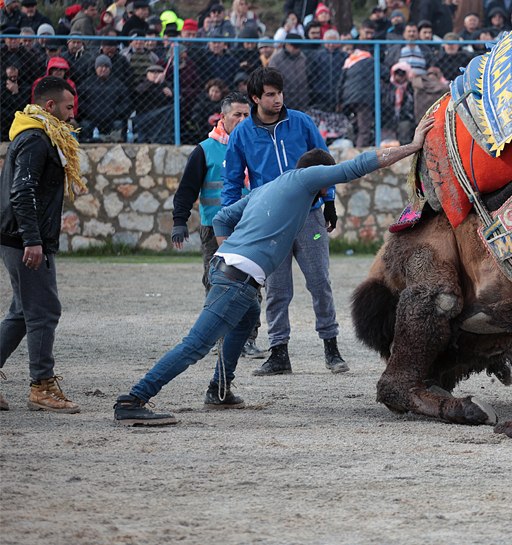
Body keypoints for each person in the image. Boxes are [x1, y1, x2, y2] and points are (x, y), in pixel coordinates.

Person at [113, 114, 434, 425]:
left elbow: (223, 218)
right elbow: (360, 164)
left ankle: (218, 389)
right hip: (236, 279)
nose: (327, 192)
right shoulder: (308, 179)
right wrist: (413, 145)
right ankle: (133, 399)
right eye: (327, 183)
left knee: (249, 316)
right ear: (320, 176)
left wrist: (230, 253)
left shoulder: (266, 188)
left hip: (224, 269)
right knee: (195, 345)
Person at [222, 67, 342, 376]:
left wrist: (329, 201)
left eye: (280, 93)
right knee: (277, 290)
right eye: (271, 94)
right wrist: (234, 218)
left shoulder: (301, 122)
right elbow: (231, 182)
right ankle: (279, 353)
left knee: (320, 282)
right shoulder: (241, 134)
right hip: (269, 223)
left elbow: (325, 161)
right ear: (256, 98)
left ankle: (332, 348)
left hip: (310, 215)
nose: (278, 99)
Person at [0, 77, 84, 413]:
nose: (72, 114)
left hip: (21, 238)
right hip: (25, 241)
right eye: (67, 107)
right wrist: (32, 240)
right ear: (50, 107)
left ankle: (41, 382)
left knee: (22, 313)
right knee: (44, 311)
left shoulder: (40, 133)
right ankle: (41, 386)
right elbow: (23, 192)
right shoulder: (37, 138)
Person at [171, 93, 266, 358]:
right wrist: (180, 221)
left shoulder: (258, 145)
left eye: (248, 114)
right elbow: (187, 189)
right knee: (217, 283)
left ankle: (247, 339)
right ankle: (218, 337)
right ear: (222, 117)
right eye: (238, 114)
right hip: (214, 229)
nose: (244, 119)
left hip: (250, 227)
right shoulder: (205, 150)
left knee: (252, 283)